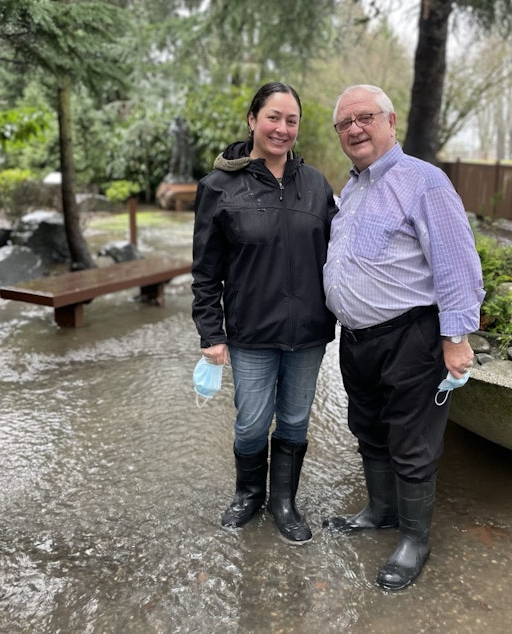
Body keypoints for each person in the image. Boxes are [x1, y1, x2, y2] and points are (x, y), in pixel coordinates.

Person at [322, 85, 485, 589]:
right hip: (356, 340)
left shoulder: (424, 182)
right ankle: (380, 510)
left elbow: (457, 261)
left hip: (411, 338)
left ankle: (415, 540)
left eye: (364, 117)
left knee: (413, 441)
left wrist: (455, 338)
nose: (354, 129)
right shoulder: (352, 188)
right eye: (344, 123)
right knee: (369, 427)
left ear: (391, 122)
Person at [191, 82, 338, 544]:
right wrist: (211, 334)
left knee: (295, 420)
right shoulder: (218, 187)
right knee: (252, 421)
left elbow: (341, 256)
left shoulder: (315, 185)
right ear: (253, 120)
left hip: (308, 334)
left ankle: (284, 501)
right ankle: (249, 493)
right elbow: (204, 271)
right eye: (273, 117)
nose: (282, 128)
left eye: (291, 120)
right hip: (251, 334)